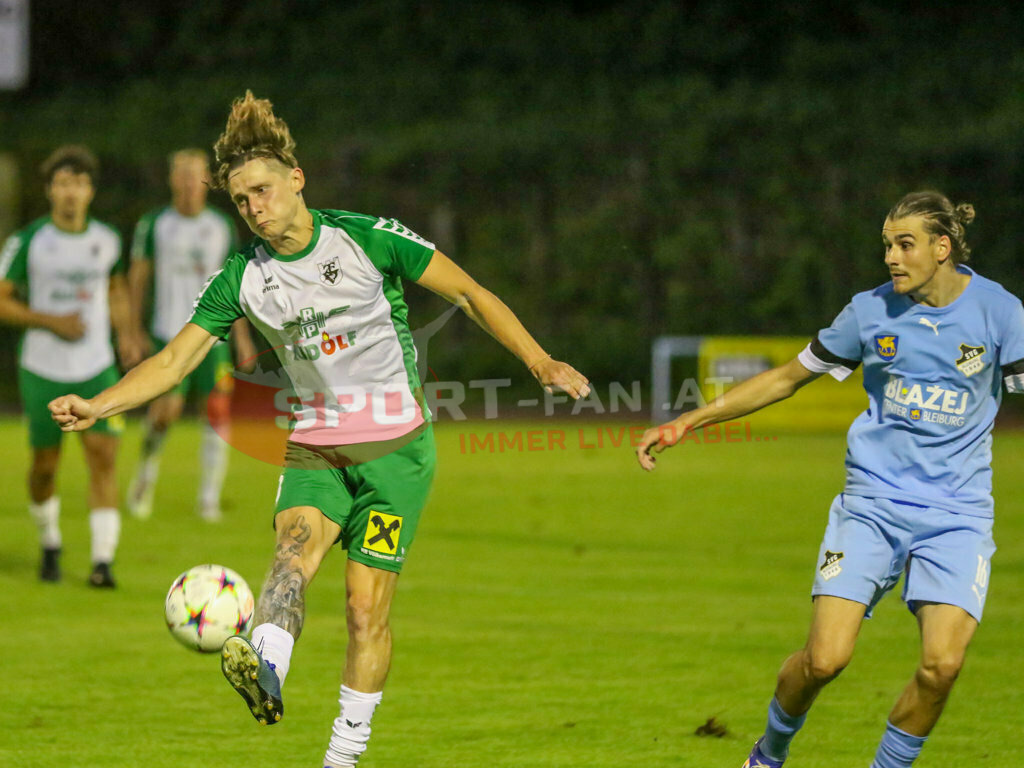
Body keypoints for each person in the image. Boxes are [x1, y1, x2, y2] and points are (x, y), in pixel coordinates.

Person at [48, 91, 590, 767]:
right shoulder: (243, 278)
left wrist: (539, 360)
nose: (254, 208)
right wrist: (100, 405)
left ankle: (342, 756)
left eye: (263, 191)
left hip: (397, 458)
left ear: (297, 179)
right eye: (241, 200)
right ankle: (265, 667)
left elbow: (469, 294)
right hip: (317, 447)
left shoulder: (367, 238)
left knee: (364, 611)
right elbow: (171, 361)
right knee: (290, 557)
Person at [636, 191, 1024, 768]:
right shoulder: (869, 312)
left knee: (942, 666)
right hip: (872, 506)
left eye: (905, 244)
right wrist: (689, 420)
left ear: (942, 248)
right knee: (824, 660)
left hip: (957, 517)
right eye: (887, 245)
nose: (891, 257)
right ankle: (768, 753)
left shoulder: (1001, 312)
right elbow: (786, 378)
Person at [0, 145, 140, 587]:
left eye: (78, 183)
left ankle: (103, 563)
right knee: (45, 465)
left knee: (103, 458)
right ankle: (50, 542)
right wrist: (50, 321)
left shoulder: (107, 239)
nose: (70, 192)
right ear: (49, 190)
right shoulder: (29, 241)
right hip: (43, 368)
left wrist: (127, 334)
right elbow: (2, 299)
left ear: (90, 191)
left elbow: (116, 289)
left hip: (96, 366)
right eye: (62, 183)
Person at [126, 148, 256, 522]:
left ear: (207, 181)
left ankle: (208, 499)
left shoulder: (220, 226)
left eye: (195, 176)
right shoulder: (155, 224)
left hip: (213, 339)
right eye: (181, 175)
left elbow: (232, 286)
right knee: (165, 412)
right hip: (169, 333)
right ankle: (144, 478)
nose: (188, 183)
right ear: (172, 180)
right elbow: (138, 278)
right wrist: (132, 330)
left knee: (216, 414)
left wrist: (242, 338)